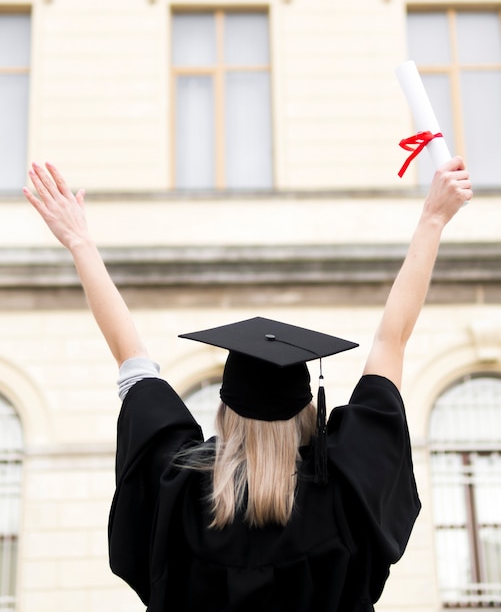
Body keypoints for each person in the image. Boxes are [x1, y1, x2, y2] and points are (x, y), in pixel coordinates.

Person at [23, 157, 473, 612]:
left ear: (224, 412)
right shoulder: (347, 486)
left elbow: (131, 359)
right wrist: (433, 219)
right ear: (307, 413)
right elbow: (390, 341)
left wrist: (80, 243)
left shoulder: (178, 489)